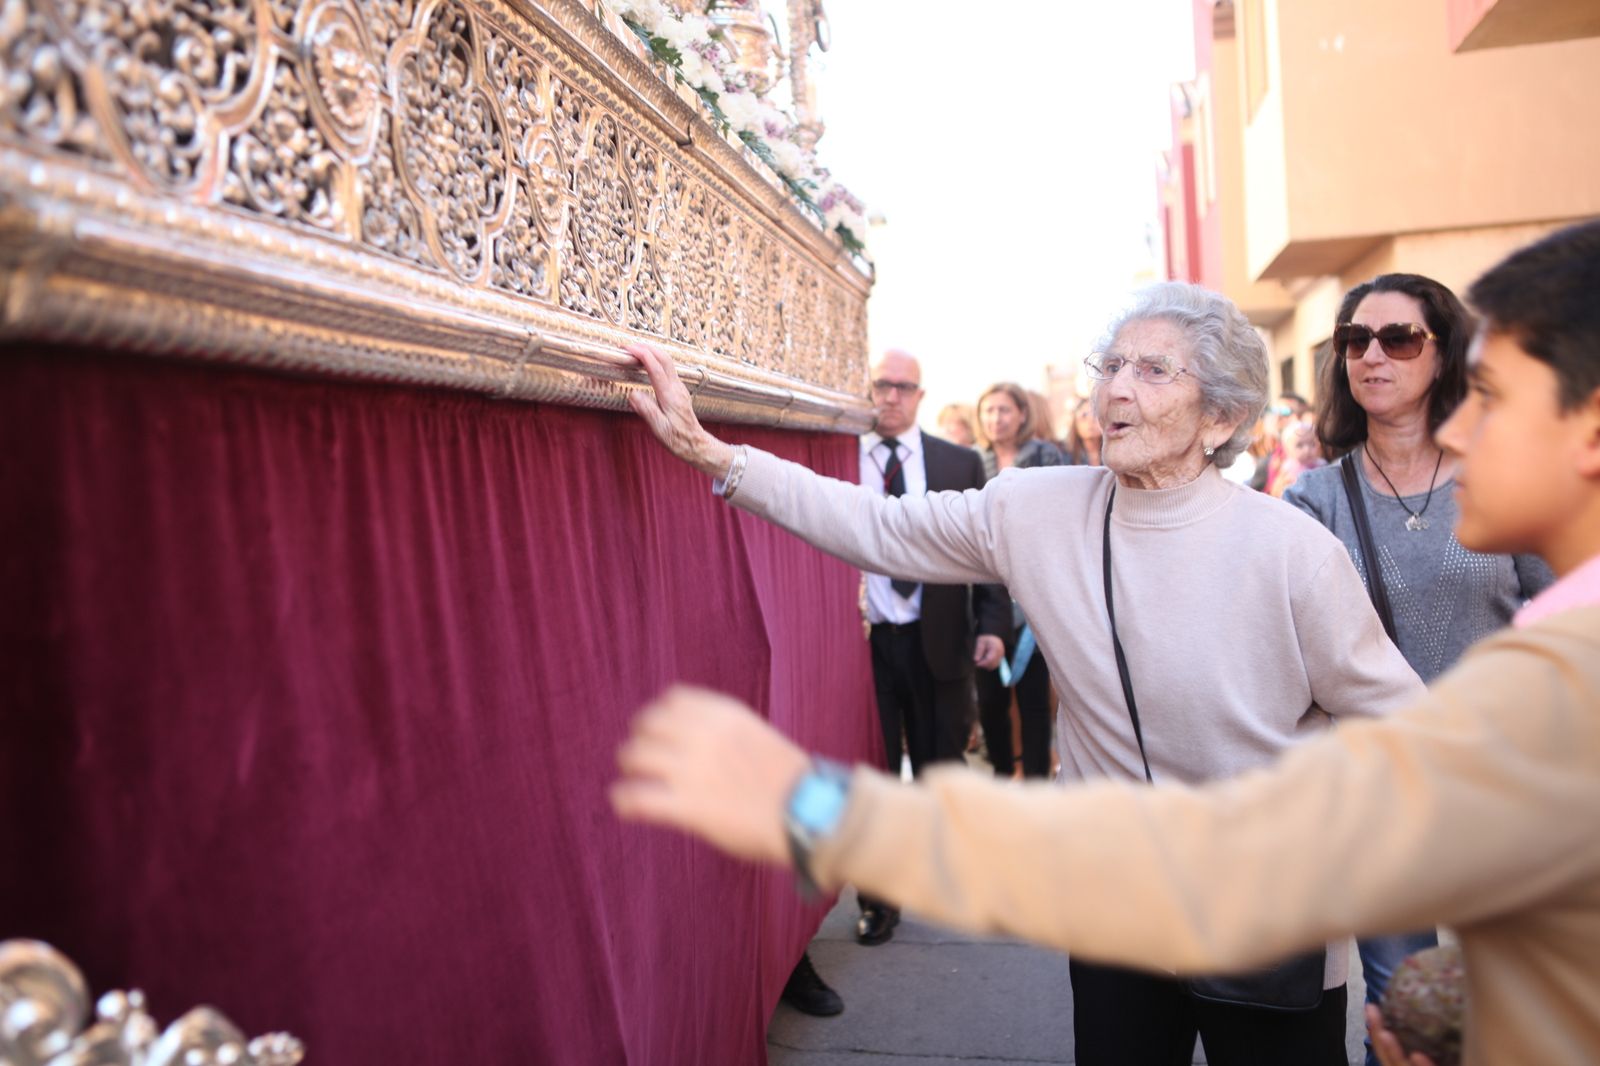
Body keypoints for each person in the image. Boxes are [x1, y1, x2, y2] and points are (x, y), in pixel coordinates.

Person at [613, 219, 1600, 1066]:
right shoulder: (1033, 508)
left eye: (1152, 369)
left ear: (1219, 416)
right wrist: (715, 452)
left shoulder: (1290, 549)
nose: (1115, 391)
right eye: (1111, 365)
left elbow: (1404, 732)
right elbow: (877, 527)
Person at [1284, 274, 1555, 1065]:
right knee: (1405, 1013)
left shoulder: (1498, 477)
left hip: (1503, 788)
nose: (1373, 355)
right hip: (1381, 794)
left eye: (1398, 338)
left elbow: (1564, 612)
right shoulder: (1312, 503)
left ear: (1445, 353)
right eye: (1354, 341)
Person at [848, 350, 1007, 946]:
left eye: (901, 387)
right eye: (880, 385)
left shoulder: (958, 460)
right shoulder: (841, 458)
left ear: (919, 395)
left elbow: (987, 548)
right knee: (878, 770)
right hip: (865, 645)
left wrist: (993, 622)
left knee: (941, 763)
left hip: (938, 641)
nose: (889, 396)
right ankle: (879, 899)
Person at [973, 383, 1064, 778]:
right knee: (991, 700)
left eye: (1004, 410)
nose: (996, 418)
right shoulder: (972, 460)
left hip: (1037, 592)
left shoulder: (1046, 457)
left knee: (1033, 699)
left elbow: (1062, 517)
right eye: (989, 411)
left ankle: (1038, 781)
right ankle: (1001, 774)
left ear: (1022, 415)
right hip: (987, 591)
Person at [1267, 419, 1325, 498]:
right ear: (1287, 449)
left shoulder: (1322, 465)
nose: (1307, 450)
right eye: (1300, 445)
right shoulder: (1287, 469)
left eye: (1312, 444)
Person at [1061, 395, 1103, 466]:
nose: (1090, 420)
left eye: (1095, 414)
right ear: (1075, 423)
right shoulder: (1064, 457)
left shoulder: (1115, 454)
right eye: (1084, 415)